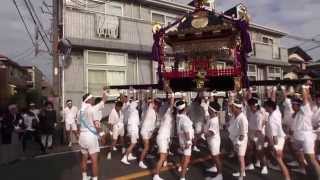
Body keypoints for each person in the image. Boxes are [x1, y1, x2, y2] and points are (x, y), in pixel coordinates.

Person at [290, 84, 320, 178]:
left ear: (299, 105)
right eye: (292, 104)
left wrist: (304, 88)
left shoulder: (305, 110)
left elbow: (306, 100)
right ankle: (304, 169)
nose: (292, 106)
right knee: (297, 152)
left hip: (307, 138)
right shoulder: (295, 114)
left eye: (293, 105)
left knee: (311, 159)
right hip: (298, 138)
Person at [79, 90, 107, 180]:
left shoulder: (80, 111)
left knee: (84, 158)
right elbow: (97, 124)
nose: (94, 99)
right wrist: (102, 135)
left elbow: (78, 124)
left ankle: (84, 177)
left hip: (82, 136)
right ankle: (95, 178)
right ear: (88, 100)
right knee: (94, 160)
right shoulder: (92, 109)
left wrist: (105, 93)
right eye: (92, 98)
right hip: (90, 136)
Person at [264, 99, 290, 180]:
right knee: (278, 158)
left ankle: (287, 177)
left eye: (266, 106)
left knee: (279, 160)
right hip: (280, 138)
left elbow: (274, 136)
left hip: (277, 140)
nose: (264, 108)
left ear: (270, 107)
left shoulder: (272, 119)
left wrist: (275, 147)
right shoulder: (277, 112)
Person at [153, 92, 175, 180]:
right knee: (161, 157)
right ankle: (156, 175)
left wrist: (168, 96)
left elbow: (169, 104)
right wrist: (172, 94)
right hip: (162, 138)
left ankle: (165, 162)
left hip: (163, 137)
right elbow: (171, 104)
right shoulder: (168, 113)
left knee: (165, 153)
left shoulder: (165, 114)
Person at [245, 97, 269, 174]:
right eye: (249, 106)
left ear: (255, 106)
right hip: (251, 133)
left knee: (260, 151)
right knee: (250, 150)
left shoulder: (259, 115)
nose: (250, 107)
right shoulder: (252, 112)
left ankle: (264, 167)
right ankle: (251, 164)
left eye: (251, 106)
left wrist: (255, 138)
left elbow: (259, 129)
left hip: (258, 135)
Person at [228, 100, 248, 180]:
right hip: (235, 139)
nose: (230, 108)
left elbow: (242, 134)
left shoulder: (243, 118)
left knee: (240, 158)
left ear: (237, 108)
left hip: (240, 140)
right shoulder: (234, 116)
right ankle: (241, 171)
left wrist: (237, 143)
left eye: (232, 107)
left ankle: (241, 176)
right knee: (238, 157)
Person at [203, 102, 223, 180]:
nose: (207, 108)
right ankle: (215, 167)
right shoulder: (210, 117)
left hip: (214, 142)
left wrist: (203, 135)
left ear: (211, 109)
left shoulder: (214, 120)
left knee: (216, 157)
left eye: (208, 107)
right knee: (213, 156)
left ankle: (220, 175)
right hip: (211, 141)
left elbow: (211, 133)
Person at [139, 98, 160, 169]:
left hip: (149, 131)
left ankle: (147, 154)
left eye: (158, 105)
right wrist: (150, 90)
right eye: (156, 104)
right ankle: (140, 161)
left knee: (151, 143)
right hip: (145, 131)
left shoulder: (155, 112)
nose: (157, 106)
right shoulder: (149, 110)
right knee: (146, 147)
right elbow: (151, 101)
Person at [176, 100, 194, 180]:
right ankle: (182, 177)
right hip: (186, 141)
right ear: (185, 108)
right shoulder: (185, 119)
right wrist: (189, 141)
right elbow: (187, 131)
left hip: (181, 140)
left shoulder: (178, 116)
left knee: (184, 155)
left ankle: (180, 166)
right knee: (187, 158)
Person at [121, 99, 139, 165]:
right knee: (133, 143)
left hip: (131, 128)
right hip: (133, 129)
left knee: (131, 142)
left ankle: (130, 155)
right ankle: (125, 157)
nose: (137, 104)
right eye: (136, 104)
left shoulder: (130, 110)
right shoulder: (134, 110)